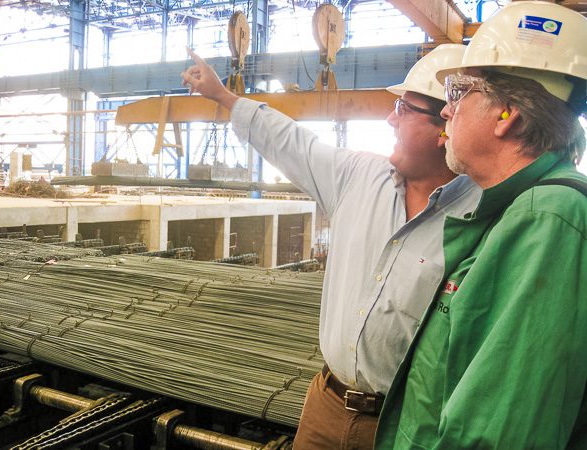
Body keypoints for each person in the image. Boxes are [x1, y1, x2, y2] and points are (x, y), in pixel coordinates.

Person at [181, 44, 482, 449]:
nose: (391, 118)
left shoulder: (481, 214)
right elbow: (291, 142)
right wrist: (222, 95)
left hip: (409, 423)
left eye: (405, 109)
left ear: (446, 124)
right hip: (328, 403)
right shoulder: (359, 176)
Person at [374, 2, 587, 449]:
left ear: (507, 115)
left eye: (459, 93)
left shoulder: (545, 218)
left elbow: (502, 428)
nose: (447, 113)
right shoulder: (514, 211)